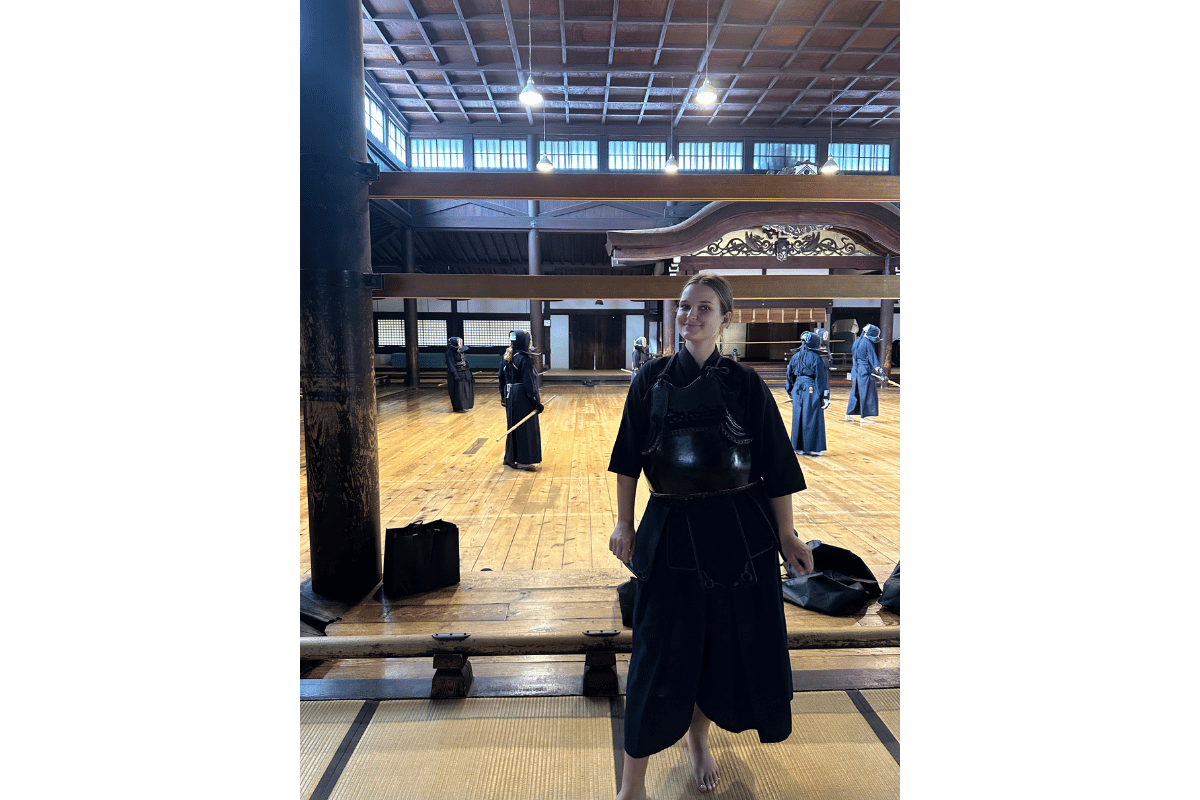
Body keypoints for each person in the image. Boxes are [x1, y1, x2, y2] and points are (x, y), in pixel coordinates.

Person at [607, 272, 814, 800]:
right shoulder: (649, 380)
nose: (690, 316)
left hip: (738, 535)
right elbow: (628, 461)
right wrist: (623, 523)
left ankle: (699, 741)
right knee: (657, 655)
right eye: (684, 307)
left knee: (716, 650)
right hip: (671, 530)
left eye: (703, 308)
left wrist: (787, 535)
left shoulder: (745, 385)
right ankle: (632, 785)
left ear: (726, 319)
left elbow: (774, 465)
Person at [498, 330, 543, 470]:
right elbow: (530, 384)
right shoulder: (523, 359)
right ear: (523, 341)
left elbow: (501, 380)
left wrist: (503, 396)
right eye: (529, 340)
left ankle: (509, 458)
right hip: (522, 396)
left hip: (510, 395)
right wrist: (536, 402)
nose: (531, 343)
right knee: (525, 428)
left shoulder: (506, 357)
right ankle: (524, 461)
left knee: (513, 426)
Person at [785, 331, 830, 455]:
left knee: (798, 417)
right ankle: (813, 448)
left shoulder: (795, 357)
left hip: (797, 389)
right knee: (812, 417)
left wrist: (789, 391)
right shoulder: (816, 358)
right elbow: (820, 379)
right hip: (811, 388)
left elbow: (789, 375)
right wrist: (824, 396)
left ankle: (798, 447)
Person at [845, 323, 885, 424]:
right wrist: (881, 372)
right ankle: (864, 417)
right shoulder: (868, 343)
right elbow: (873, 359)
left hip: (856, 370)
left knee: (855, 392)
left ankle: (848, 415)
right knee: (866, 393)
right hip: (865, 370)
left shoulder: (857, 342)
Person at [444, 336, 474, 412]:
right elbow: (451, 365)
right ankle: (458, 407)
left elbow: (465, 361)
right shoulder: (449, 353)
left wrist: (470, 374)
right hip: (457, 374)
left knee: (466, 390)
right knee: (458, 391)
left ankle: (466, 405)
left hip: (465, 373)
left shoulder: (462, 351)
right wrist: (455, 375)